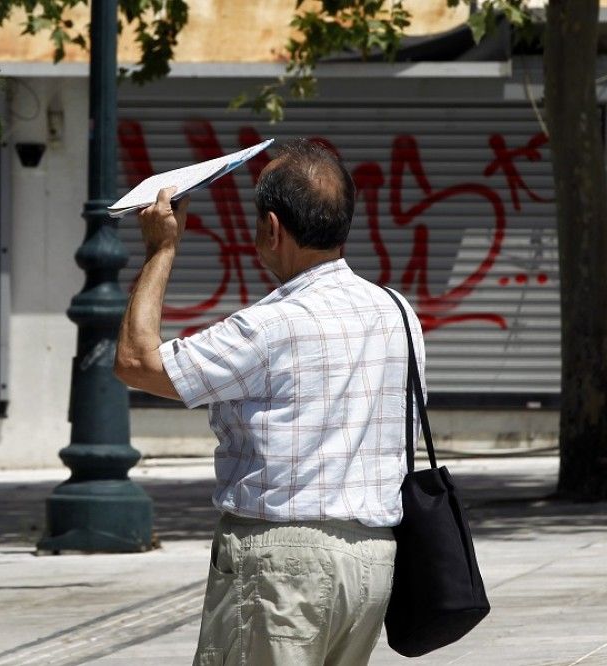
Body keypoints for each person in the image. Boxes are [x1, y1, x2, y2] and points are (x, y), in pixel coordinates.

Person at [114, 138, 425, 665]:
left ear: (273, 227)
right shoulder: (397, 311)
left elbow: (137, 362)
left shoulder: (270, 325)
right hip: (373, 560)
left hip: (284, 561)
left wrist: (160, 249)